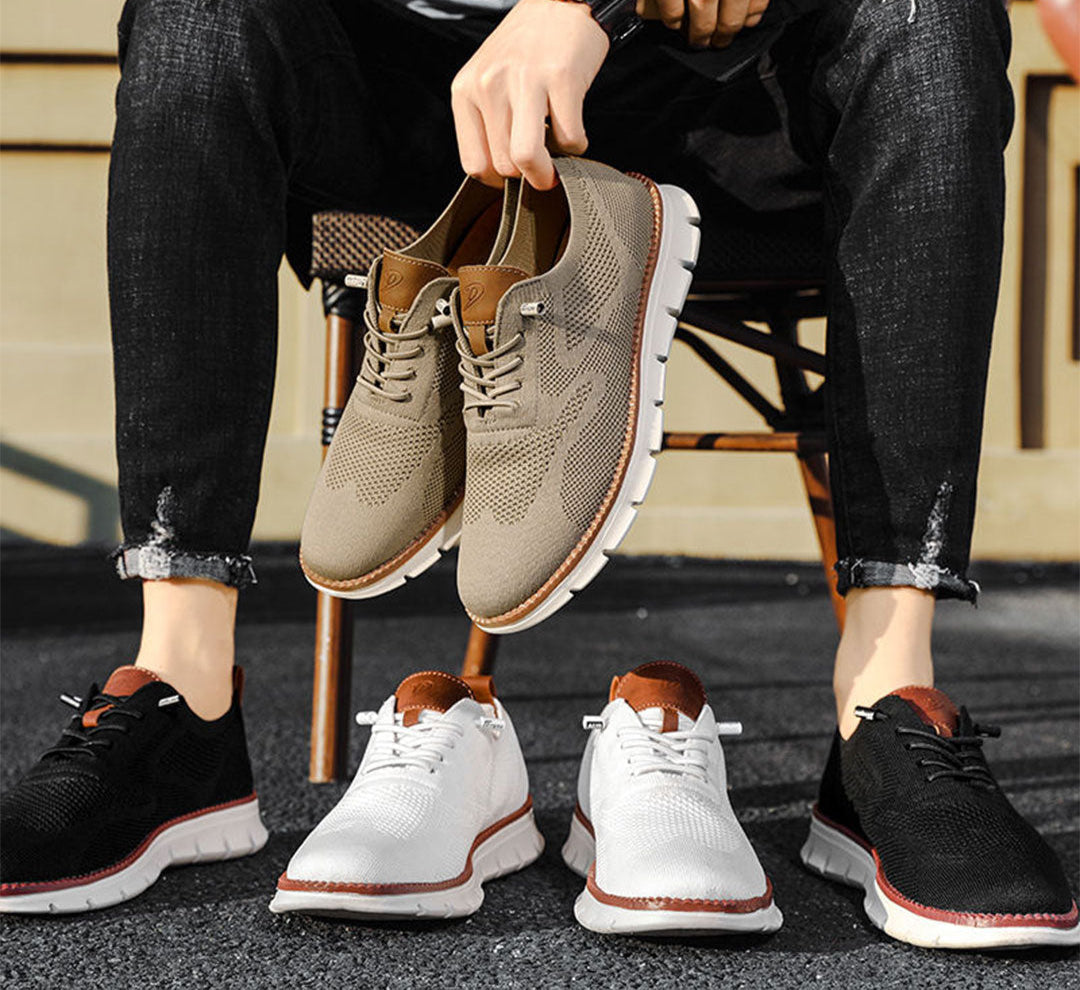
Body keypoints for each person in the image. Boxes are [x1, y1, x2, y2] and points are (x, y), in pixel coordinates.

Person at [2, 0, 1076, 949]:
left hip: (738, 95)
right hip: (422, 100)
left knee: (934, 13)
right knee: (193, 13)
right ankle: (183, 693)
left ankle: (884, 704)